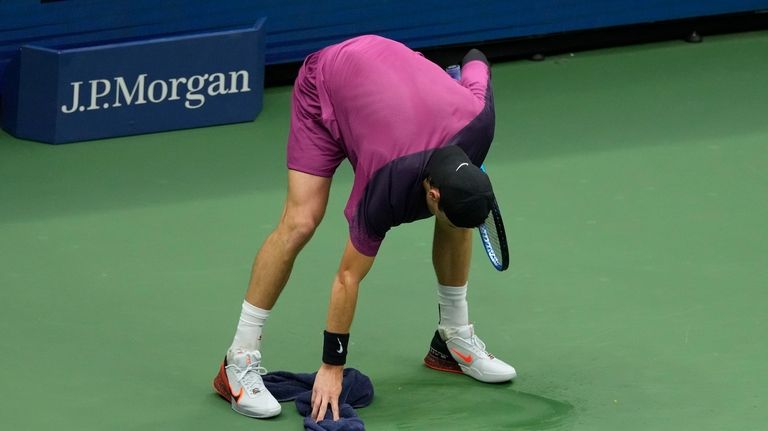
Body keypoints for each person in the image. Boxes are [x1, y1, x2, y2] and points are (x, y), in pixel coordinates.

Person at [212, 34, 516, 422]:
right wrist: (331, 368)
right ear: (433, 195)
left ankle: (451, 340)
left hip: (389, 77)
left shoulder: (480, 120)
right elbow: (347, 277)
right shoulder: (384, 184)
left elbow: (476, 58)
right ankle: (236, 363)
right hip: (327, 80)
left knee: (460, 221)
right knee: (301, 221)